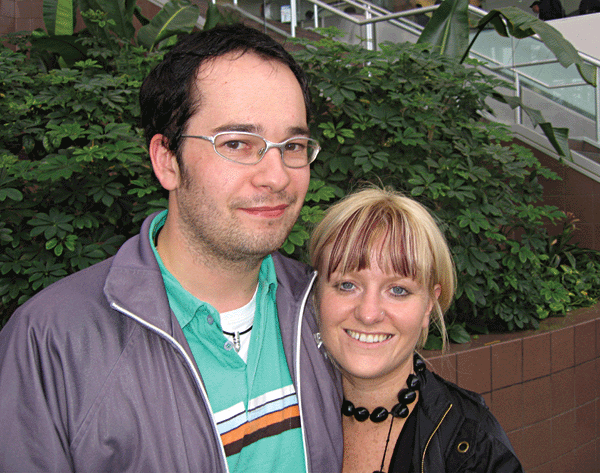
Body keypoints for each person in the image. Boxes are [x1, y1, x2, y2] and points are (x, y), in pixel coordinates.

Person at [0, 24, 343, 472]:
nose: (276, 177)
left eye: (293, 146)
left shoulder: (328, 309)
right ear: (166, 160)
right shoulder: (50, 343)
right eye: (238, 144)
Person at [309, 187, 523, 473]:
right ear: (316, 295)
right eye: (347, 285)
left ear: (428, 307)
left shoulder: (472, 446)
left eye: (398, 290)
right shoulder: (280, 413)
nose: (368, 313)